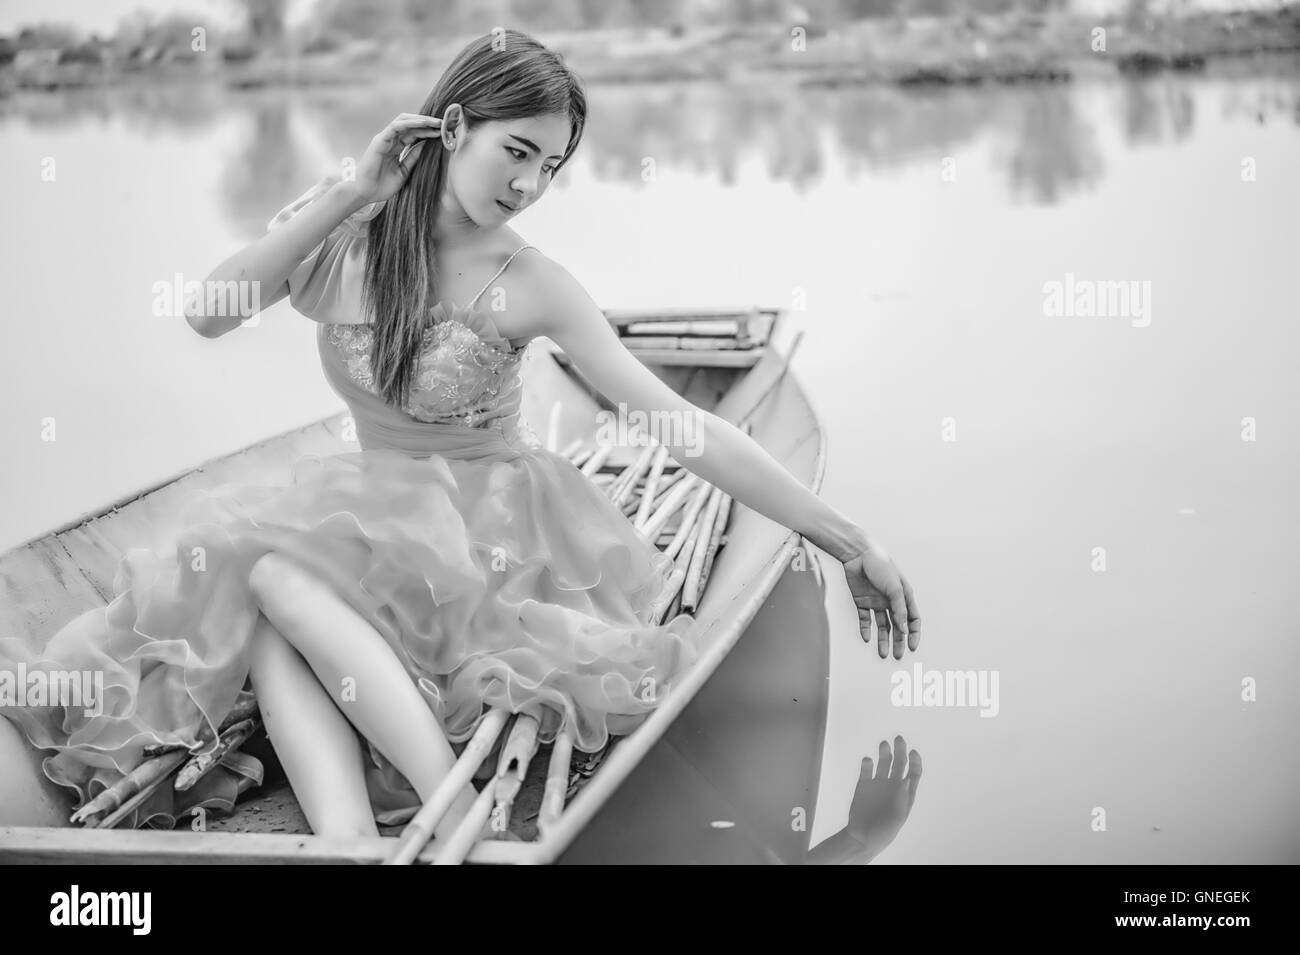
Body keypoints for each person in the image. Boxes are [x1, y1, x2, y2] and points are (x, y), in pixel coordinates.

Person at [0, 30, 920, 840]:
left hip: (489, 538)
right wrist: (353, 190)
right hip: (365, 524)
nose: (529, 185)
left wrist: (849, 540)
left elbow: (679, 426)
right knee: (264, 593)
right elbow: (208, 312)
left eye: (551, 167)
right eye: (517, 151)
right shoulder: (344, 233)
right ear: (449, 129)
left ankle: (449, 811)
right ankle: (358, 838)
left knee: (274, 575)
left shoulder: (532, 280)